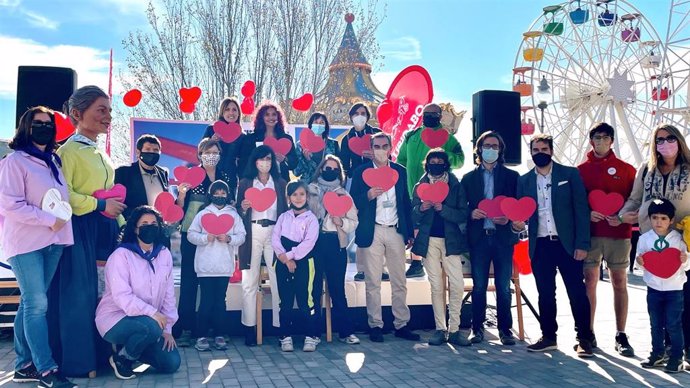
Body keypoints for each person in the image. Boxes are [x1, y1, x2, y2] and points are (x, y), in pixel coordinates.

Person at [50, 85, 126, 377]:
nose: (108, 116)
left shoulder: (100, 153)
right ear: (77, 114)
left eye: (109, 110)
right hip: (80, 230)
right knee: (79, 296)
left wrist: (121, 226)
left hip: (104, 232)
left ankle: (101, 356)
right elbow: (62, 195)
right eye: (101, 109)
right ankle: (78, 362)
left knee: (103, 295)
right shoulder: (67, 151)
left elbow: (111, 196)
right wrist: (97, 206)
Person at [0, 107, 76, 388]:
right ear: (25, 128)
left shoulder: (52, 160)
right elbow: (9, 204)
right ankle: (46, 369)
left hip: (53, 243)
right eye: (38, 124)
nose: (44, 128)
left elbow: (59, 200)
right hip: (26, 244)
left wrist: (59, 227)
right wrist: (48, 220)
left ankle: (23, 366)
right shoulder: (14, 161)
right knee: (37, 305)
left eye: (48, 124)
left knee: (31, 303)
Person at [514, 133, 594, 357]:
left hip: (567, 244)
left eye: (544, 150)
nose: (540, 154)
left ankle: (584, 338)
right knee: (545, 294)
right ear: (531, 153)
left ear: (551, 151)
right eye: (536, 150)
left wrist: (582, 243)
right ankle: (548, 336)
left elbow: (581, 210)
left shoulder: (570, 174)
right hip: (540, 245)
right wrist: (516, 225)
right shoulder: (524, 180)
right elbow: (522, 215)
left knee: (577, 292)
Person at [619, 123, 690, 359]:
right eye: (659, 140)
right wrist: (623, 214)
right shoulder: (646, 169)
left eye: (670, 138)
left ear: (679, 140)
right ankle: (667, 348)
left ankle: (684, 349)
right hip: (654, 240)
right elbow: (635, 198)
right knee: (660, 298)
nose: (665, 143)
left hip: (683, 240)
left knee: (685, 296)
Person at [96, 206, 180, 380]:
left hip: (150, 324)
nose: (149, 227)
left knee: (171, 362)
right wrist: (153, 314)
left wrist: (168, 329)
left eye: (153, 223)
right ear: (135, 228)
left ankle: (131, 349)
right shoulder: (121, 255)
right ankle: (122, 359)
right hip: (115, 319)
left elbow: (168, 295)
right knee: (151, 327)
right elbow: (122, 297)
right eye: (144, 223)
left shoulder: (163, 254)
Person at [350, 132, 419, 342]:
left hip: (396, 230)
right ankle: (375, 325)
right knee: (373, 281)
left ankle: (401, 324)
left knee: (399, 280)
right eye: (376, 146)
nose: (380, 150)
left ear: (390, 148)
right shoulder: (361, 172)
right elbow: (352, 203)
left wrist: (409, 232)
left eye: (384, 146)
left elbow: (405, 202)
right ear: (371, 150)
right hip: (373, 230)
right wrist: (368, 196)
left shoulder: (400, 171)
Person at [576, 122, 636, 356]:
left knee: (619, 281)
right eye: (595, 137)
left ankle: (621, 333)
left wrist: (622, 218)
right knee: (589, 281)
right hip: (590, 234)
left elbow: (635, 200)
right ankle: (588, 333)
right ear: (591, 141)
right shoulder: (580, 170)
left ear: (612, 140)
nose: (599, 141)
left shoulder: (627, 169)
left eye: (604, 137)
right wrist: (587, 214)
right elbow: (576, 202)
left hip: (618, 234)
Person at [460, 131, 519, 346]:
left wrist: (510, 218)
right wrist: (471, 213)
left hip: (503, 238)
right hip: (479, 239)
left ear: (500, 150)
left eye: (495, 146)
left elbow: (519, 207)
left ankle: (505, 330)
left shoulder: (512, 178)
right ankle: (477, 329)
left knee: (504, 287)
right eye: (487, 145)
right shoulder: (468, 178)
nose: (491, 149)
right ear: (479, 148)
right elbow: (461, 208)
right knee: (479, 286)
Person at [173, 138, 233, 346]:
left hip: (217, 237)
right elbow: (179, 207)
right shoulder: (191, 175)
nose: (211, 155)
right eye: (207, 152)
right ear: (199, 154)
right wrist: (181, 194)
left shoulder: (224, 176)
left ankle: (212, 329)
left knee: (212, 286)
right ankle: (186, 329)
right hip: (193, 234)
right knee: (190, 282)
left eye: (215, 152)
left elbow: (229, 202)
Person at [411, 148, 470, 347]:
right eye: (432, 161)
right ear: (427, 164)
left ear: (445, 164)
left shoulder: (455, 185)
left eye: (439, 161)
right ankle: (440, 328)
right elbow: (413, 214)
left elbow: (463, 214)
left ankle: (455, 329)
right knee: (436, 285)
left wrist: (443, 209)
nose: (435, 165)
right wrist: (421, 208)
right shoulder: (421, 185)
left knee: (457, 284)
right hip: (429, 242)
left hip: (451, 241)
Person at [398, 103, 464, 279]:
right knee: (414, 227)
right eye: (426, 113)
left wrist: (444, 156)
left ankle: (428, 264)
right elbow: (401, 160)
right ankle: (415, 262)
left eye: (433, 114)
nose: (429, 116)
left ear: (440, 116)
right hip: (413, 190)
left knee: (430, 228)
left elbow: (460, 160)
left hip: (439, 194)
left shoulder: (448, 138)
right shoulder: (411, 136)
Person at [307, 155, 360, 344]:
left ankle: (346, 332)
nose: (330, 171)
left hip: (335, 243)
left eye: (334, 169)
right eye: (327, 168)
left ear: (340, 173)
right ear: (321, 169)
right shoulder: (309, 190)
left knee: (337, 289)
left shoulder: (344, 195)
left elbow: (354, 221)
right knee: (313, 289)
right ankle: (313, 332)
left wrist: (342, 222)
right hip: (313, 244)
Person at [237, 146, 287, 346]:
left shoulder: (281, 183)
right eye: (261, 159)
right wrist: (242, 207)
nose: (265, 162)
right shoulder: (246, 183)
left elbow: (286, 211)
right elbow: (237, 211)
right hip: (252, 232)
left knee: (277, 279)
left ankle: (279, 326)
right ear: (254, 161)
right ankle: (249, 327)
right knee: (250, 280)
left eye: (268, 158)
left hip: (275, 233)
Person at [187, 180, 246, 351]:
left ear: (228, 195)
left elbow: (241, 235)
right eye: (216, 193)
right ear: (210, 194)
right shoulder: (202, 213)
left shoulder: (233, 215)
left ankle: (220, 334)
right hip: (205, 266)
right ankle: (201, 336)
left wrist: (229, 239)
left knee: (220, 301)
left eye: (223, 193)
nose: (220, 196)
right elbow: (191, 235)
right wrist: (205, 238)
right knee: (206, 301)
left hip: (224, 266)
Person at [635, 199, 689, 373]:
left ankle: (676, 357)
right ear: (649, 219)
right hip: (654, 289)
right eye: (655, 217)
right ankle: (657, 354)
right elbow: (640, 264)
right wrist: (640, 262)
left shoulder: (678, 240)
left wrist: (685, 259)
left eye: (664, 218)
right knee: (655, 323)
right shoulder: (644, 239)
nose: (659, 222)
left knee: (674, 324)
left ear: (671, 220)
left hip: (675, 290)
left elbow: (686, 265)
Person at [272, 181, 320, 352]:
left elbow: (309, 242)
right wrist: (285, 259)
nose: (298, 198)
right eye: (294, 195)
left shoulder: (311, 219)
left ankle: (310, 335)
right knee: (284, 300)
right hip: (283, 262)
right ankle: (285, 336)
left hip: (305, 262)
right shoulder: (283, 217)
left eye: (301, 194)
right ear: (288, 198)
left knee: (305, 299)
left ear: (307, 196)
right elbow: (275, 239)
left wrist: (291, 256)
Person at [337, 102, 381, 282]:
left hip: (378, 180)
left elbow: (389, 155)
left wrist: (375, 156)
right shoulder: (347, 138)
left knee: (379, 220)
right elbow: (343, 164)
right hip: (356, 182)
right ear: (351, 117)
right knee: (358, 220)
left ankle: (380, 266)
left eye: (363, 113)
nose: (360, 116)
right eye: (356, 113)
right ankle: (361, 267)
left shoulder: (376, 133)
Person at [239, 101, 297, 182]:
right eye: (267, 114)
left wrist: (285, 159)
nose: (271, 117)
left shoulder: (286, 138)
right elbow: (243, 162)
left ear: (278, 117)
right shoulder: (251, 138)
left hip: (280, 181)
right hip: (256, 181)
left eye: (274, 114)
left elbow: (294, 162)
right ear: (261, 118)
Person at [114, 134, 169, 221]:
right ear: (138, 152)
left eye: (155, 150)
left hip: (158, 226)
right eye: (147, 149)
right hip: (133, 225)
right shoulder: (123, 172)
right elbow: (117, 202)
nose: (152, 153)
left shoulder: (163, 173)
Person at [202, 97, 245, 198]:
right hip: (210, 175)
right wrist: (210, 142)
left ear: (239, 113)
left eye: (234, 109)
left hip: (230, 178)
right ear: (222, 112)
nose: (231, 112)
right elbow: (199, 154)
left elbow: (243, 160)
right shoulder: (211, 129)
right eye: (227, 109)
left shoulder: (242, 135)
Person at [295, 112, 340, 183]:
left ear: (325, 126)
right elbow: (296, 172)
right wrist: (306, 159)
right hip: (307, 185)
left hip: (328, 184)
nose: (318, 125)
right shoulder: (300, 145)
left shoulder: (333, 144)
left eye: (322, 123)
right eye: (315, 122)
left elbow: (339, 169)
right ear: (310, 125)